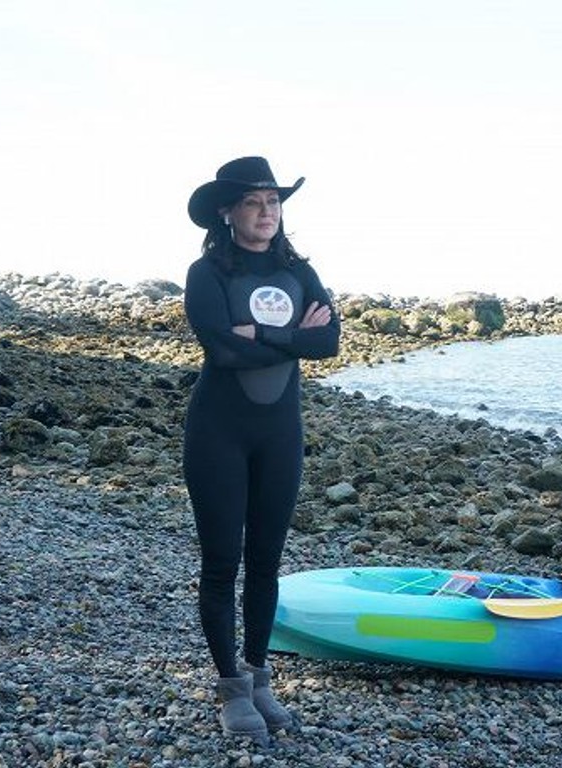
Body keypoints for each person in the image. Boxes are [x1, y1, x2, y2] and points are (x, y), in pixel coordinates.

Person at [183, 156, 340, 741]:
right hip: (217, 433)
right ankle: (231, 688)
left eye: (273, 201)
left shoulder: (299, 271)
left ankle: (258, 676)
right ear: (228, 212)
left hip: (280, 434)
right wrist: (295, 337)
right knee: (222, 562)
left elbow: (329, 341)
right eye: (253, 202)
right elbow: (223, 351)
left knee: (267, 562)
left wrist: (266, 334)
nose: (266, 211)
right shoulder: (206, 273)